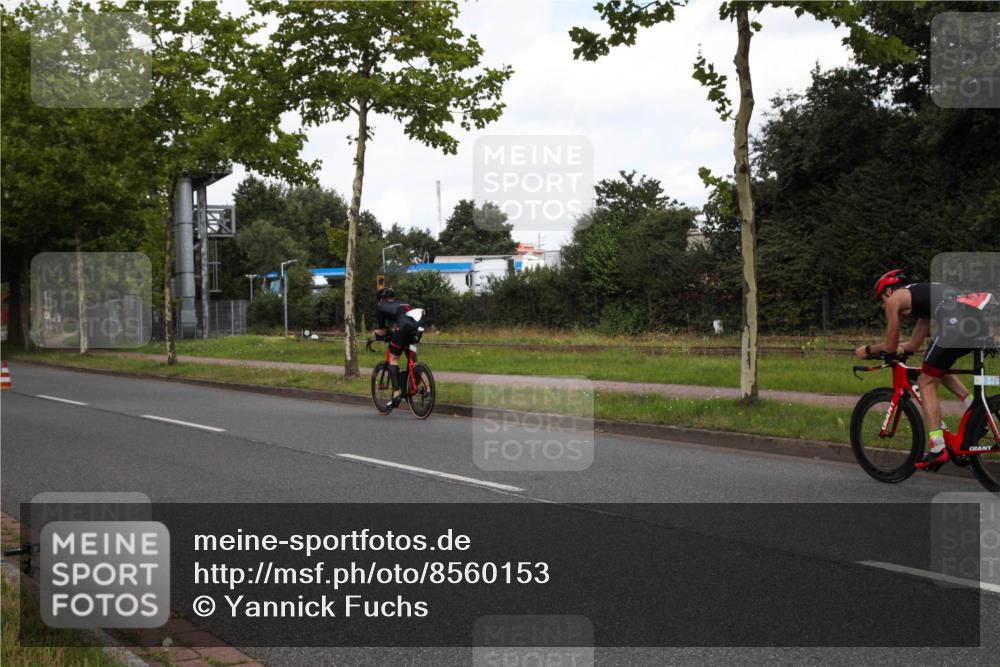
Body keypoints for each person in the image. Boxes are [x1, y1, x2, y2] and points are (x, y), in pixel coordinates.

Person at [856, 270, 991, 470]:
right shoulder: (924, 302)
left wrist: (868, 350)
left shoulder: (895, 299)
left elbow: (890, 346)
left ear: (889, 290)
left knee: (925, 382)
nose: (884, 304)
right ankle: (977, 412)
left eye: (881, 299)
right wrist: (901, 349)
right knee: (937, 369)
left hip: (955, 325)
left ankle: (938, 449)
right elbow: (912, 346)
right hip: (977, 324)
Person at [372, 287, 420, 407]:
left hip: (403, 328)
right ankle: (424, 386)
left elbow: (382, 331)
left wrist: (375, 335)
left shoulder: (381, 307)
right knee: (412, 360)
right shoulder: (402, 304)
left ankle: (396, 393)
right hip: (417, 327)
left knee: (393, 358)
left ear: (380, 300)